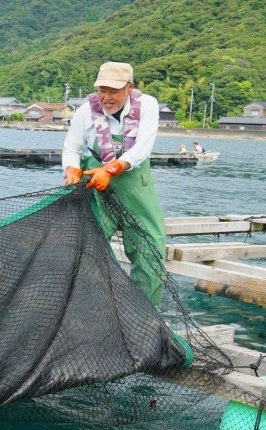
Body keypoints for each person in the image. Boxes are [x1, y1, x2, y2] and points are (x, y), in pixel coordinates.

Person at [62, 61, 166, 305]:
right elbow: (71, 148)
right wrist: (72, 170)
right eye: (102, 90)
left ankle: (144, 314)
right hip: (95, 188)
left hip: (134, 186)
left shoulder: (148, 105)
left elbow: (142, 149)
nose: (106, 97)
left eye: (114, 91)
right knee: (87, 248)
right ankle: (89, 310)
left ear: (130, 88)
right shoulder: (86, 110)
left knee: (151, 246)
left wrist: (111, 169)